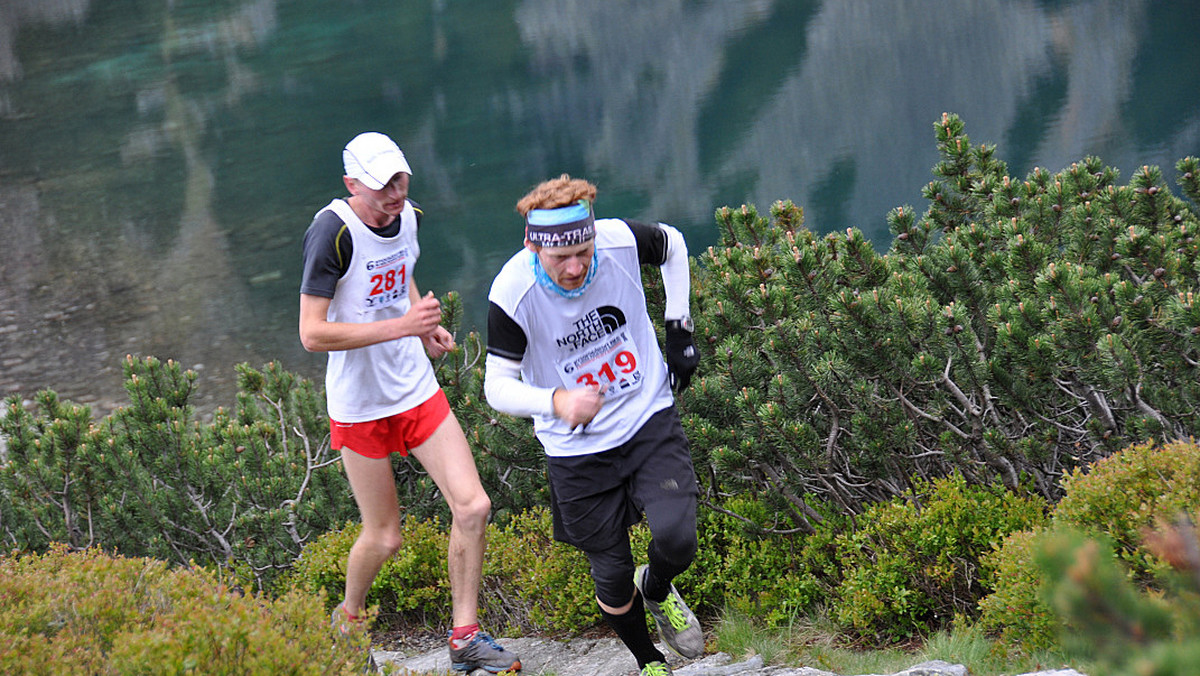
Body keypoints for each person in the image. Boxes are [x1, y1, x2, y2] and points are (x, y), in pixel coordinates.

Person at [299, 131, 521, 674]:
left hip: (415, 388)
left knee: (473, 506)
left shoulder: (409, 216)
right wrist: (402, 324)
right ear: (351, 184)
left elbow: (400, 273)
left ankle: (465, 639)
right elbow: (311, 333)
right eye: (381, 186)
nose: (395, 193)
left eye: (401, 180)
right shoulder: (332, 232)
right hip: (358, 404)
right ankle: (348, 624)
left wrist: (420, 329)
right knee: (385, 536)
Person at [483, 174, 703, 676]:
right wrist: (556, 400)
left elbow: (672, 245)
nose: (576, 267)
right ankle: (649, 660)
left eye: (583, 251)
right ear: (532, 244)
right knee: (611, 574)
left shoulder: (620, 241)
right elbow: (496, 386)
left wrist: (679, 326)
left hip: (646, 414)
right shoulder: (513, 292)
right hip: (575, 448)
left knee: (677, 538)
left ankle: (660, 588)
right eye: (560, 257)